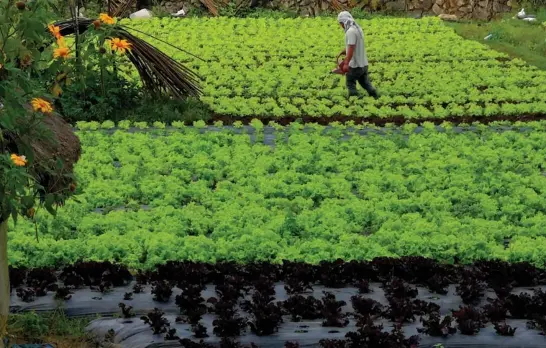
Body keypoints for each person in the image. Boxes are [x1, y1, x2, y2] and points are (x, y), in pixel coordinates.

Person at [336, 11, 378, 99]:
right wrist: (342, 52)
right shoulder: (357, 29)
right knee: (365, 83)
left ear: (344, 22)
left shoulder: (350, 32)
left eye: (341, 23)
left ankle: (354, 99)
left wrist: (346, 63)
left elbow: (351, 47)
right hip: (364, 64)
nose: (341, 26)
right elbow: (354, 46)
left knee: (350, 83)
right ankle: (374, 94)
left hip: (355, 65)